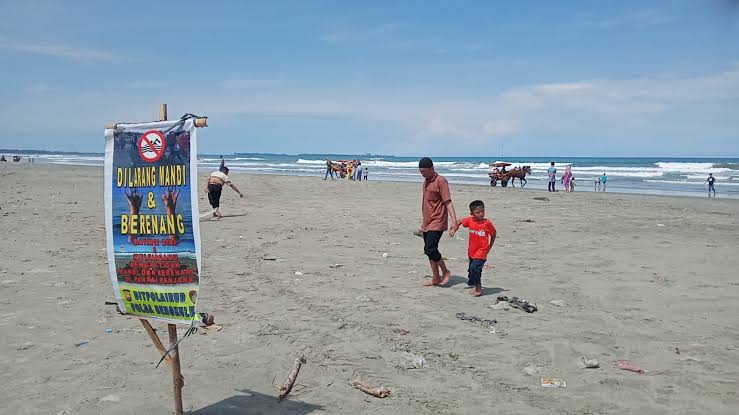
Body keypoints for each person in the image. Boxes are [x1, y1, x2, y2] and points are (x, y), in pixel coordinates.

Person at [418, 157, 458, 287]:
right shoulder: (426, 181)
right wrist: (423, 223)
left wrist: (454, 221)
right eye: (420, 171)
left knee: (430, 248)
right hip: (427, 222)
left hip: (438, 221)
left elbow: (448, 202)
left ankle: (445, 271)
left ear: (432, 169)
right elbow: (427, 203)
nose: (422, 174)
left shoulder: (441, 181)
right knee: (428, 251)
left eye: (424, 171)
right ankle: (435, 277)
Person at [450, 200, 496, 297]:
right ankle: (472, 281)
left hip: (481, 252)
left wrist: (489, 247)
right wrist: (453, 229)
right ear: (472, 213)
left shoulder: (487, 223)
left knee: (475, 268)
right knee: (471, 270)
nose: (481, 214)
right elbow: (459, 222)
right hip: (471, 251)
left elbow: (494, 234)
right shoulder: (470, 220)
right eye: (478, 212)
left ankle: (478, 288)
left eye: (482, 211)